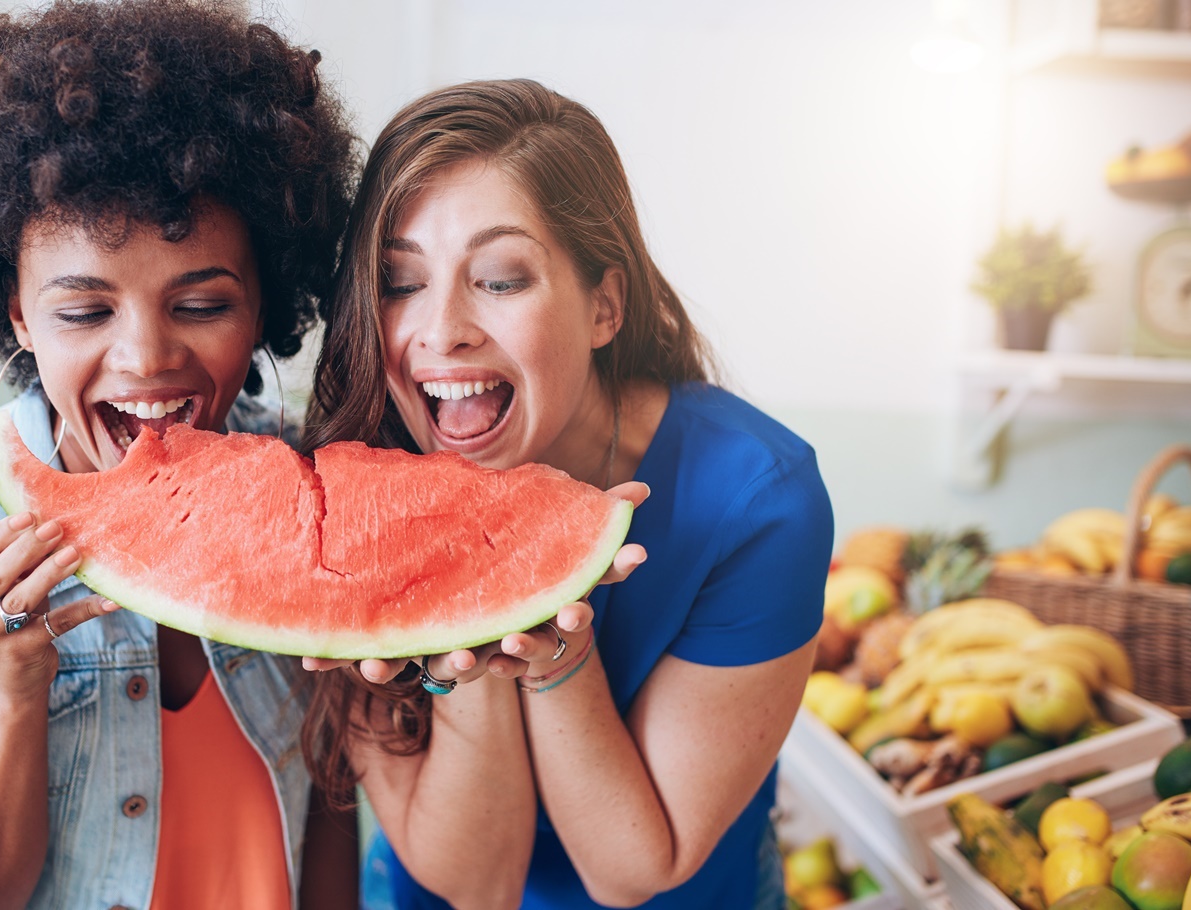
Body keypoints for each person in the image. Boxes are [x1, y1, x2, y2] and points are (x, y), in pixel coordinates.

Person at [0, 3, 359, 908]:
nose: (146, 359)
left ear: (265, 300)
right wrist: (12, 689)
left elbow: (329, 824)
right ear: (16, 313)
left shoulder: (319, 491)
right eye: (83, 311)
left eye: (201, 305)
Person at [299, 79, 833, 909]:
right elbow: (476, 887)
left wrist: (555, 649)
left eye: (501, 279)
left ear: (603, 307)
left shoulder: (758, 500)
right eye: (400, 282)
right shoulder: (349, 477)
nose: (440, 329)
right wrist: (468, 640)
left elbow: (635, 869)